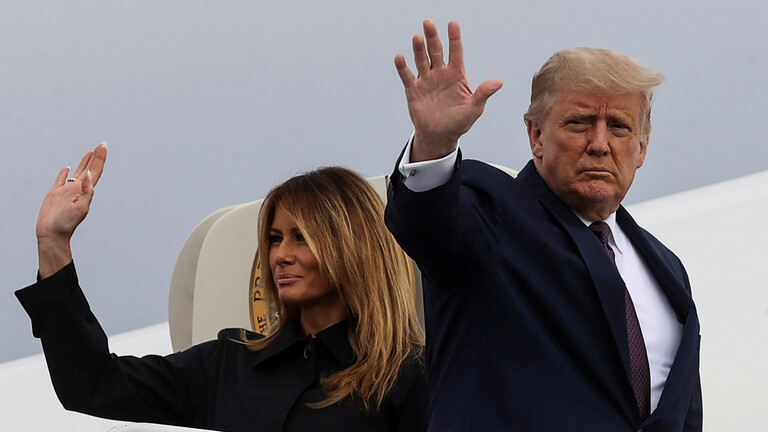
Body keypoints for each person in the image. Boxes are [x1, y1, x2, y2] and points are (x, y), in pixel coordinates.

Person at [385, 20, 702, 431]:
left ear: (642, 146)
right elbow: (427, 225)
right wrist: (434, 146)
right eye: (579, 123)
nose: (600, 144)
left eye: (619, 127)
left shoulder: (666, 266)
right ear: (536, 135)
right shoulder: (492, 214)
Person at [16, 144, 426, 432]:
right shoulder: (232, 364)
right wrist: (53, 245)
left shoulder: (407, 375)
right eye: (275, 238)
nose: (280, 255)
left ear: (352, 247)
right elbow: (93, 384)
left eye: (301, 237)